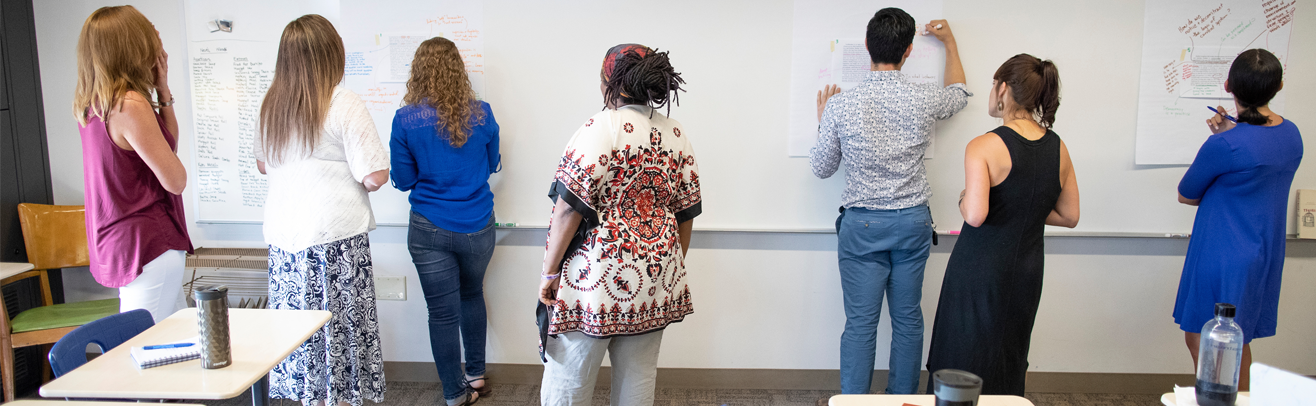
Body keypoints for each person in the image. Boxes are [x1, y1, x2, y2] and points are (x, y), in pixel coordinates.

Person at [811, 8, 969, 395]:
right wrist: (949, 41)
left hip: (862, 226)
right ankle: (902, 402)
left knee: (861, 324)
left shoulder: (842, 104)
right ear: (909, 51)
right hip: (912, 222)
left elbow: (821, 168)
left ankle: (854, 403)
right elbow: (960, 95)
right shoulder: (923, 97)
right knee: (908, 320)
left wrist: (823, 120)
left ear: (867, 46)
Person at [537, 44, 700, 406]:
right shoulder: (676, 134)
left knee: (570, 376)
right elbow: (685, 214)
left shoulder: (599, 129)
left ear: (609, 83)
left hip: (595, 282)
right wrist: (666, 266)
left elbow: (567, 210)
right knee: (639, 374)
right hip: (654, 277)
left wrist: (549, 274)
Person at [924, 53, 1079, 396]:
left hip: (980, 268)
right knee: (1010, 352)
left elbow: (976, 215)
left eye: (994, 84)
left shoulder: (984, 145)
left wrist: (965, 198)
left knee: (963, 351)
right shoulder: (1058, 146)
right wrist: (1025, 208)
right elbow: (1069, 215)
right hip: (1026, 270)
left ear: (1004, 88)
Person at [255, 14, 390, 406]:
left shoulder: (271, 105)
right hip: (335, 245)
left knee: (300, 343)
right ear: (332, 55)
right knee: (340, 341)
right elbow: (375, 175)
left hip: (285, 247)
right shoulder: (342, 102)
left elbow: (264, 164)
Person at [1174, 48, 1301, 391]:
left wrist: (1224, 137)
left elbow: (1187, 193)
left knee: (1206, 340)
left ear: (1229, 85)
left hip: (1221, 252)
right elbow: (1255, 162)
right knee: (1236, 339)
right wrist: (1231, 132)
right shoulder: (1292, 136)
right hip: (1262, 252)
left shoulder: (1226, 145)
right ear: (1278, 85)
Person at [391, 37, 501, 406]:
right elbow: (491, 164)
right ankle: (477, 375)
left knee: (440, 313)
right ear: (459, 70)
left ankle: (455, 394)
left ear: (417, 72)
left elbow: (403, 180)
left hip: (429, 228)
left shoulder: (405, 120)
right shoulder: (482, 113)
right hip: (478, 223)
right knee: (472, 294)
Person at [73, 5, 194, 323]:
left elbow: (166, 146)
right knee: (141, 354)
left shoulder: (93, 105)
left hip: (127, 247)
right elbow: (175, 179)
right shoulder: (130, 104)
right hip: (148, 247)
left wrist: (162, 90)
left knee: (173, 348)